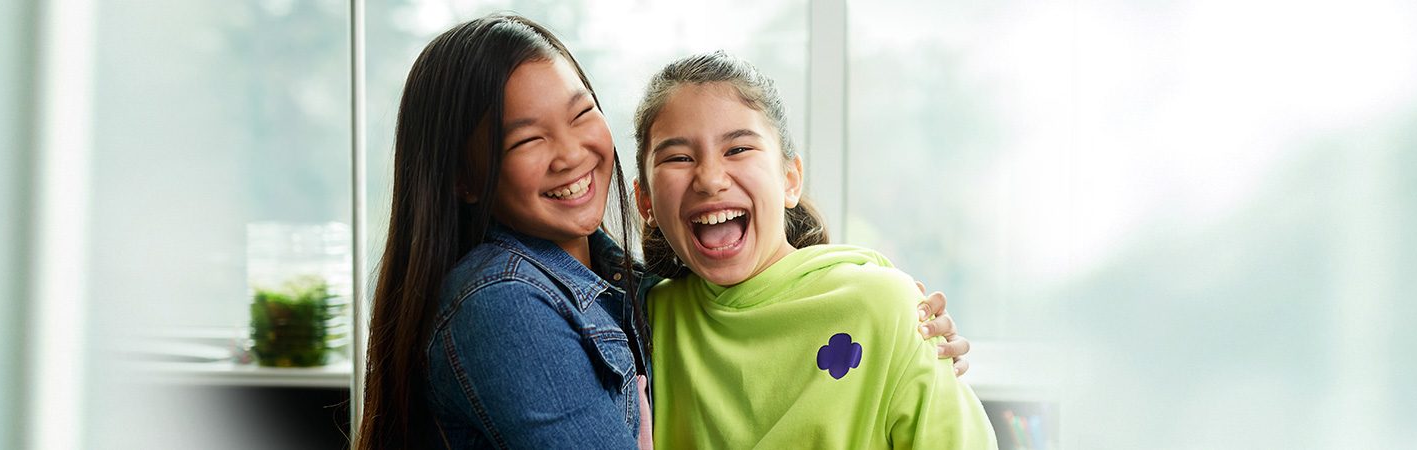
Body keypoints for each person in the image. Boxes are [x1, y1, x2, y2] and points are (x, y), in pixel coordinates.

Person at [358, 14, 971, 449]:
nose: (571, 154)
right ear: (646, 201)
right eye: (527, 138)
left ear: (790, 178)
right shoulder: (518, 303)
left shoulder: (631, 295)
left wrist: (894, 308)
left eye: (580, 115)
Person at [633, 50, 998, 449]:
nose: (710, 178)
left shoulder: (886, 307)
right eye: (679, 157)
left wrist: (912, 341)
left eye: (738, 149)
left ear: (790, 179)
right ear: (645, 201)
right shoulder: (642, 320)